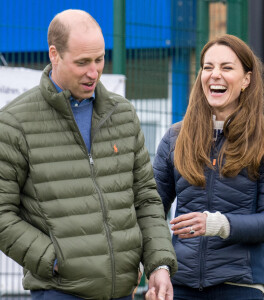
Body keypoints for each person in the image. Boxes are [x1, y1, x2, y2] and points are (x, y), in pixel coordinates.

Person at [0, 9, 177, 300]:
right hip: (59, 291)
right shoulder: (14, 123)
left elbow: (145, 197)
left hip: (123, 291)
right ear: (54, 54)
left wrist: (158, 263)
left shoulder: (122, 114)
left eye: (99, 59)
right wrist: (53, 259)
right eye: (82, 62)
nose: (93, 72)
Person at [153, 34, 264, 300]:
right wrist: (157, 265)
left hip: (239, 286)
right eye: (208, 67)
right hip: (180, 286)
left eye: (227, 68)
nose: (215, 75)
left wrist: (217, 224)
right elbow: (150, 210)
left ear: (246, 80)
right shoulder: (175, 137)